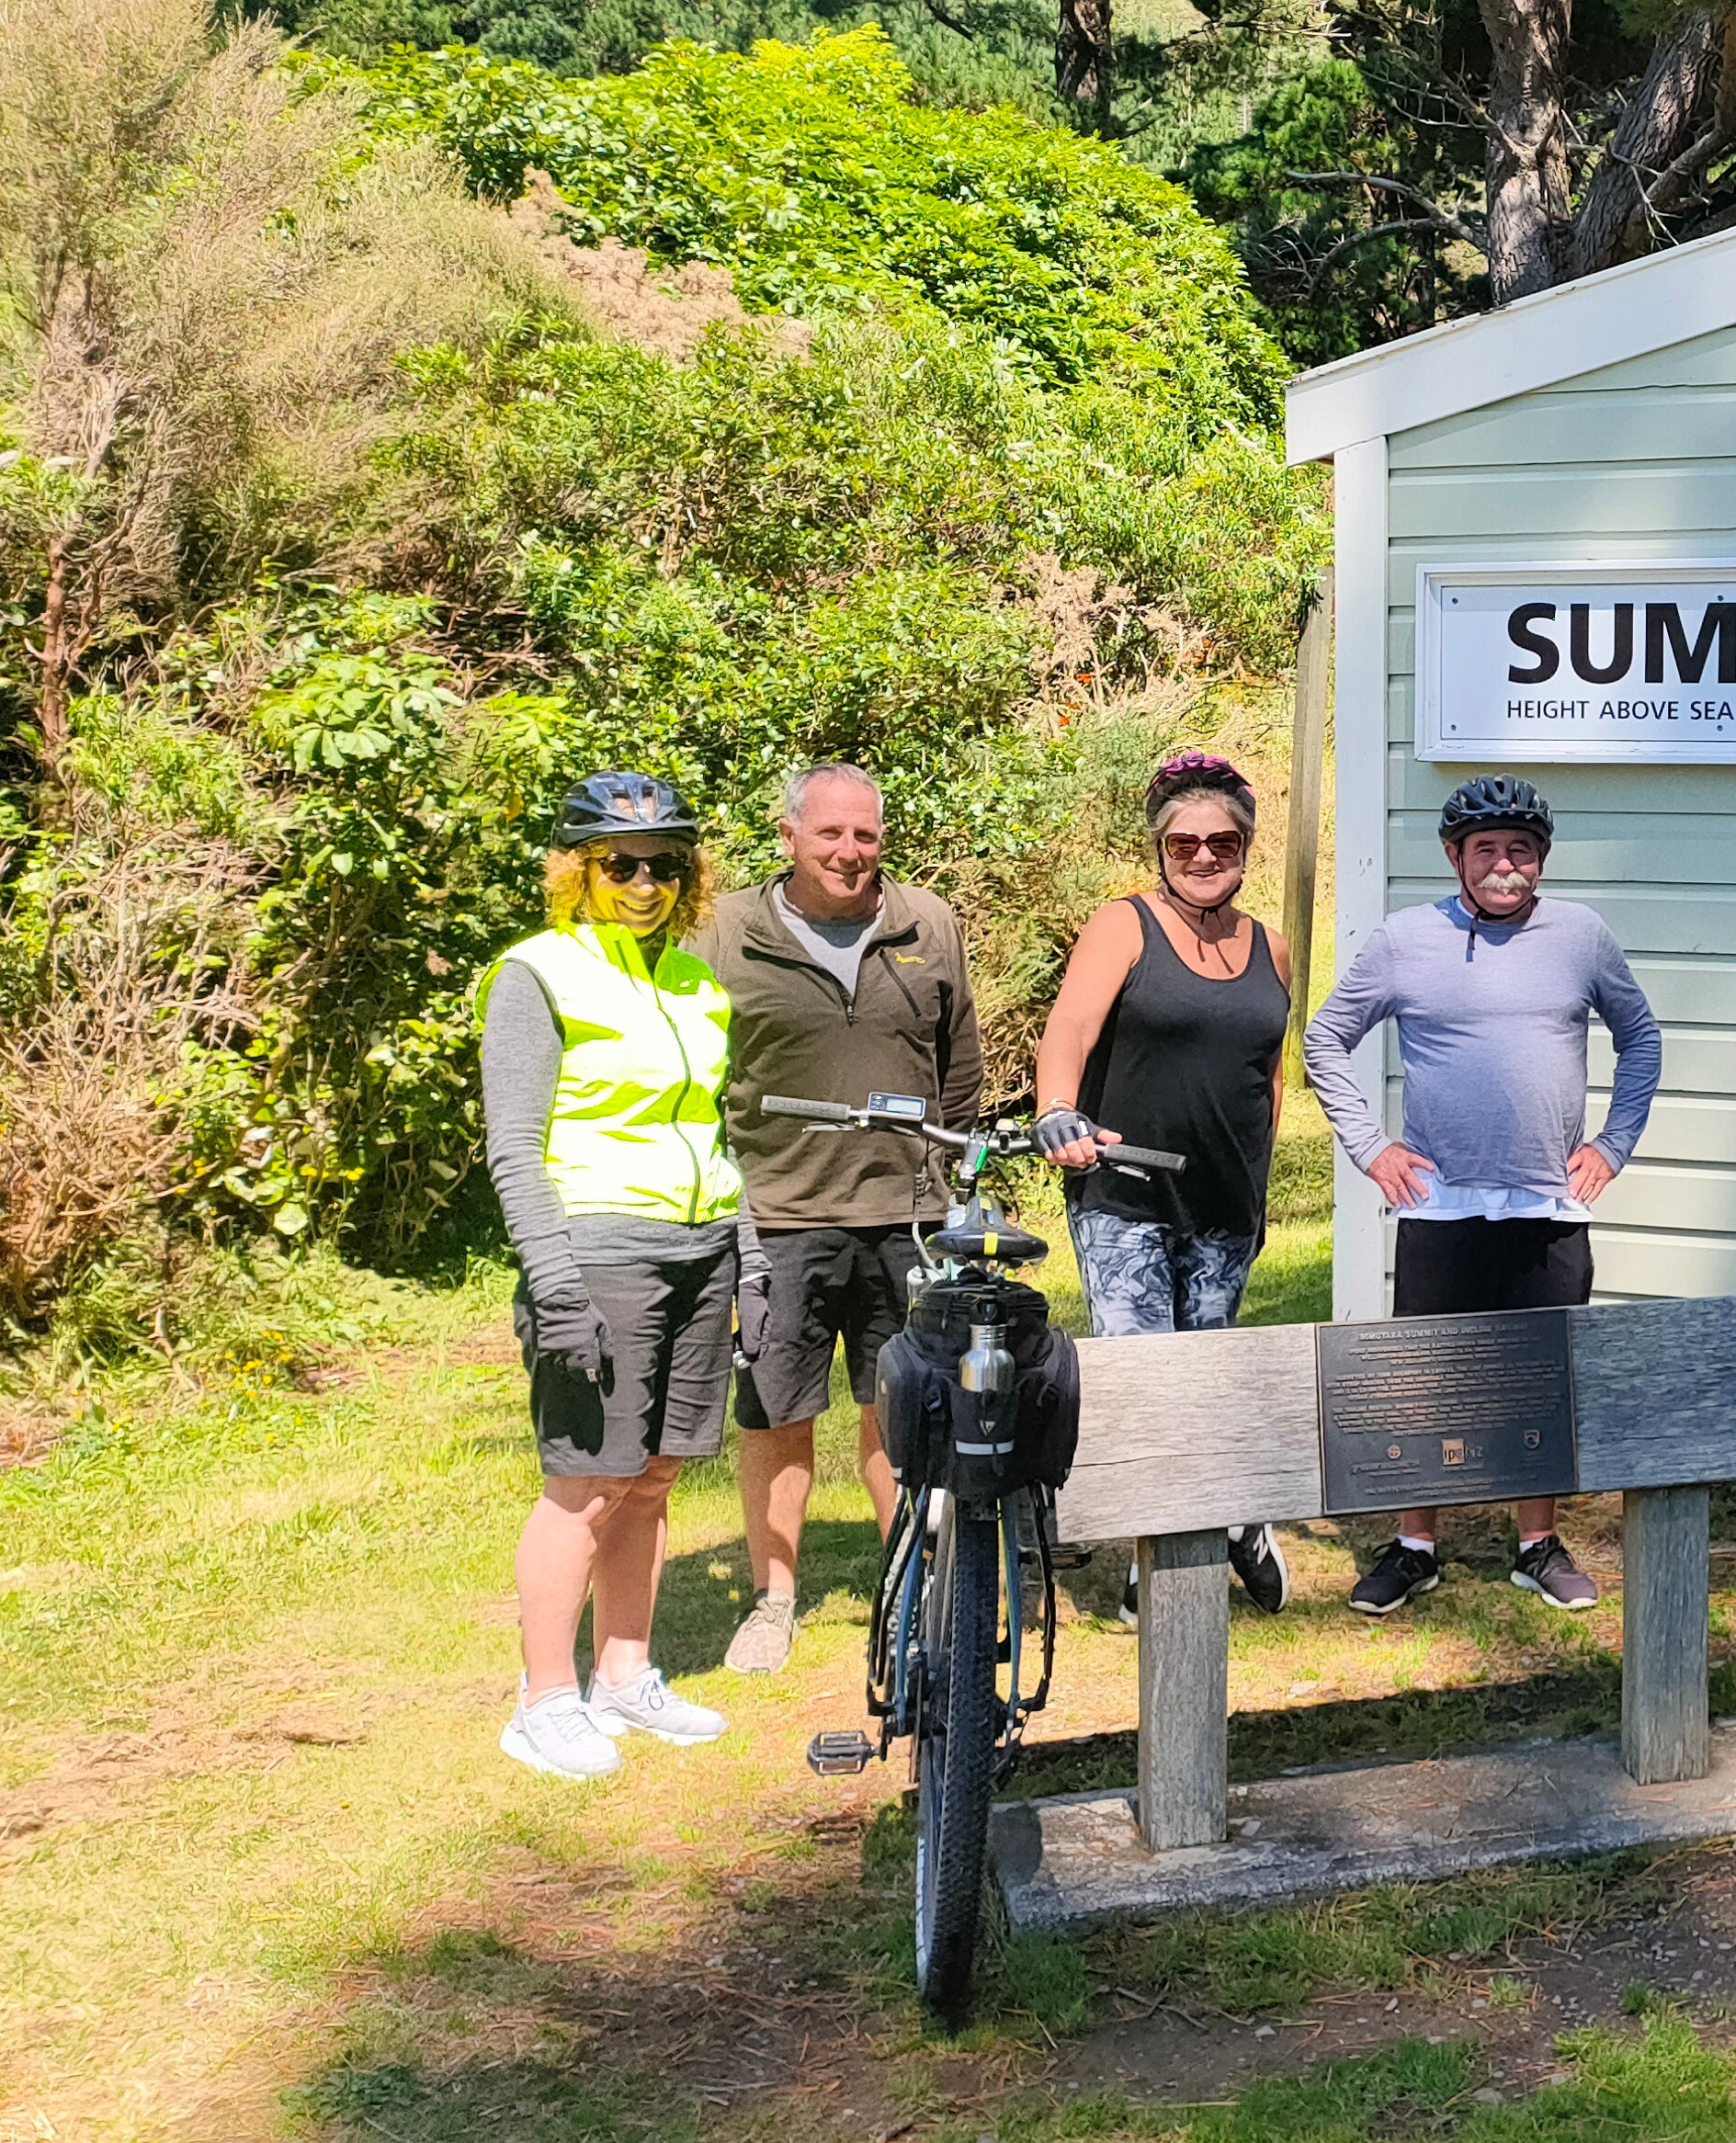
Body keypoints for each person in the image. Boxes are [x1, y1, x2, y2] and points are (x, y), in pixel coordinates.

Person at [1302, 775, 1663, 1617]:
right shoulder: (1403, 941)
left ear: (1542, 857)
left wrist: (1612, 1145)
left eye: (1522, 850)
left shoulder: (1582, 935)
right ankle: (1415, 1544)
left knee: (1543, 1377)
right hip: (1440, 1202)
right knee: (1422, 1379)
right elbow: (1325, 1038)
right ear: (1455, 857)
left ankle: (1536, 1542)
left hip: (1548, 1203)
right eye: (1487, 850)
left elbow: (1640, 1037)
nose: (1506, 866)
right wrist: (1370, 1146)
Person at [480, 771, 749, 1779]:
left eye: (666, 866)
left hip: (700, 1245)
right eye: (620, 864)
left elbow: (719, 1132)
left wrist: (749, 1257)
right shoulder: (536, 974)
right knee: (585, 1484)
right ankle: (542, 1700)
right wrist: (553, 1282)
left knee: (654, 1475)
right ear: (577, 871)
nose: (644, 883)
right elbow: (512, 1147)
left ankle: (623, 1675)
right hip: (599, 1248)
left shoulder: (694, 981)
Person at [698, 764, 983, 1675]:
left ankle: (909, 1583)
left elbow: (962, 1065)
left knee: (895, 1407)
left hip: (905, 1216)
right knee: (778, 1414)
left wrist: (948, 1175)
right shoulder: (727, 933)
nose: (848, 852)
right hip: (777, 1216)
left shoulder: (924, 923)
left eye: (864, 835)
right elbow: (692, 1071)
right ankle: (773, 1601)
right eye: (829, 834)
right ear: (789, 837)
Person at [1031, 750, 1297, 1616]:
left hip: (1226, 1202)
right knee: (1147, 1379)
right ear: (1160, 849)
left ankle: (1237, 1520)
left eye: (1222, 841)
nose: (1204, 856)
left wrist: (1259, 1181)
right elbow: (1069, 1025)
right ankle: (1160, 1556)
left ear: (1247, 845)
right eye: (1184, 844)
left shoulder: (1272, 947)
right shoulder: (1124, 925)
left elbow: (1269, 1069)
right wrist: (1058, 1111)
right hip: (1126, 1193)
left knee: (1210, 1371)